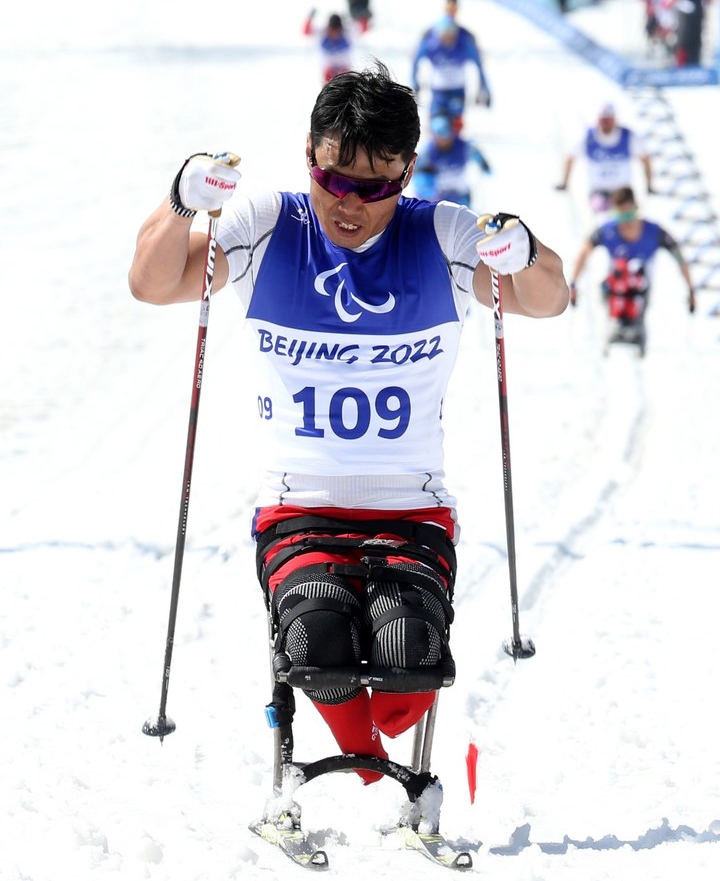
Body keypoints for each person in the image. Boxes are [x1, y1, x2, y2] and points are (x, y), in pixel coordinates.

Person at [129, 62, 568, 784]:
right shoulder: (267, 226)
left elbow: (546, 298)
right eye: (334, 178)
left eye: (377, 187)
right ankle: (369, 768)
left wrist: (526, 250)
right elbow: (151, 282)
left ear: (408, 173)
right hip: (299, 506)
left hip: (412, 510)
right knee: (318, 644)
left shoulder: (443, 235)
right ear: (310, 151)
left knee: (409, 657)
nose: (351, 204)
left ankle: (379, 752)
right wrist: (181, 201)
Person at [569, 186, 695, 354]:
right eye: (621, 217)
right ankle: (611, 329)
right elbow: (584, 253)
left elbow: (680, 258)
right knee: (620, 271)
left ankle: (636, 331)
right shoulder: (608, 231)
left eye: (629, 216)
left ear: (636, 209)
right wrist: (573, 284)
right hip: (614, 287)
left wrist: (690, 290)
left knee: (634, 273)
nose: (626, 223)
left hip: (641, 289)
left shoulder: (655, 232)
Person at [555, 102, 654, 213]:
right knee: (603, 218)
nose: (606, 123)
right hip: (599, 190)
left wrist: (649, 184)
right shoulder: (588, 137)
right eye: (603, 120)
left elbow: (645, 159)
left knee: (628, 219)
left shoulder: (628, 136)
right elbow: (570, 158)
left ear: (615, 120)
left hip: (623, 191)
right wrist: (564, 183)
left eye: (609, 119)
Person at [411, 8, 491, 131]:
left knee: (455, 128)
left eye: (451, 36)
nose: (447, 39)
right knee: (438, 126)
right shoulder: (431, 45)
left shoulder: (464, 45)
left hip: (457, 90)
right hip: (438, 91)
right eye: (444, 36)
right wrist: (414, 83)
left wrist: (484, 89)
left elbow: (479, 66)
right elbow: (415, 62)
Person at [412, 113, 491, 208]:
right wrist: (432, 194)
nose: (444, 140)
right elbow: (419, 179)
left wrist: (483, 164)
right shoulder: (428, 152)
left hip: (461, 195)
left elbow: (476, 154)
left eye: (446, 135)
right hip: (437, 199)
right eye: (440, 136)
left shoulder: (462, 146)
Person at [303, 10, 353, 84]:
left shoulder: (348, 33)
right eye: (332, 30)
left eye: (337, 30)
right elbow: (306, 32)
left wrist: (362, 16)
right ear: (328, 27)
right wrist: (309, 19)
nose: (335, 33)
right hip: (328, 70)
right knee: (329, 86)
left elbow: (363, 29)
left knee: (347, 84)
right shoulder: (321, 33)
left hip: (344, 68)